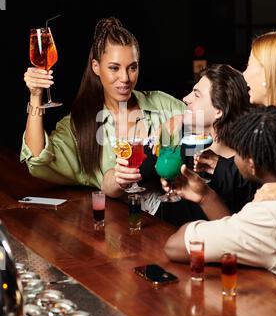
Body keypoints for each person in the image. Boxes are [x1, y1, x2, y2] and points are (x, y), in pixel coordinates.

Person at [21, 17, 185, 214]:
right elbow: (37, 158)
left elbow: (211, 123)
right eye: (114, 68)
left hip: (182, 211)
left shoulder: (160, 103)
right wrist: (36, 96)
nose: (125, 78)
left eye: (132, 67)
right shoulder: (82, 125)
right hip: (122, 226)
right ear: (96, 67)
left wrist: (182, 120)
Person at [163, 106, 276, 282]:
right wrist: (206, 196)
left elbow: (175, 246)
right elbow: (242, 233)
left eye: (236, 151)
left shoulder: (269, 215)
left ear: (251, 164)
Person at [198, 30, 276, 213]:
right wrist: (219, 166)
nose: (243, 75)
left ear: (269, 74)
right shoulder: (264, 123)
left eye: (249, 65)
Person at [182, 64, 254, 213]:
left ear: (218, 111)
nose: (185, 98)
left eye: (196, 94)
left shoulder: (246, 170)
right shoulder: (183, 145)